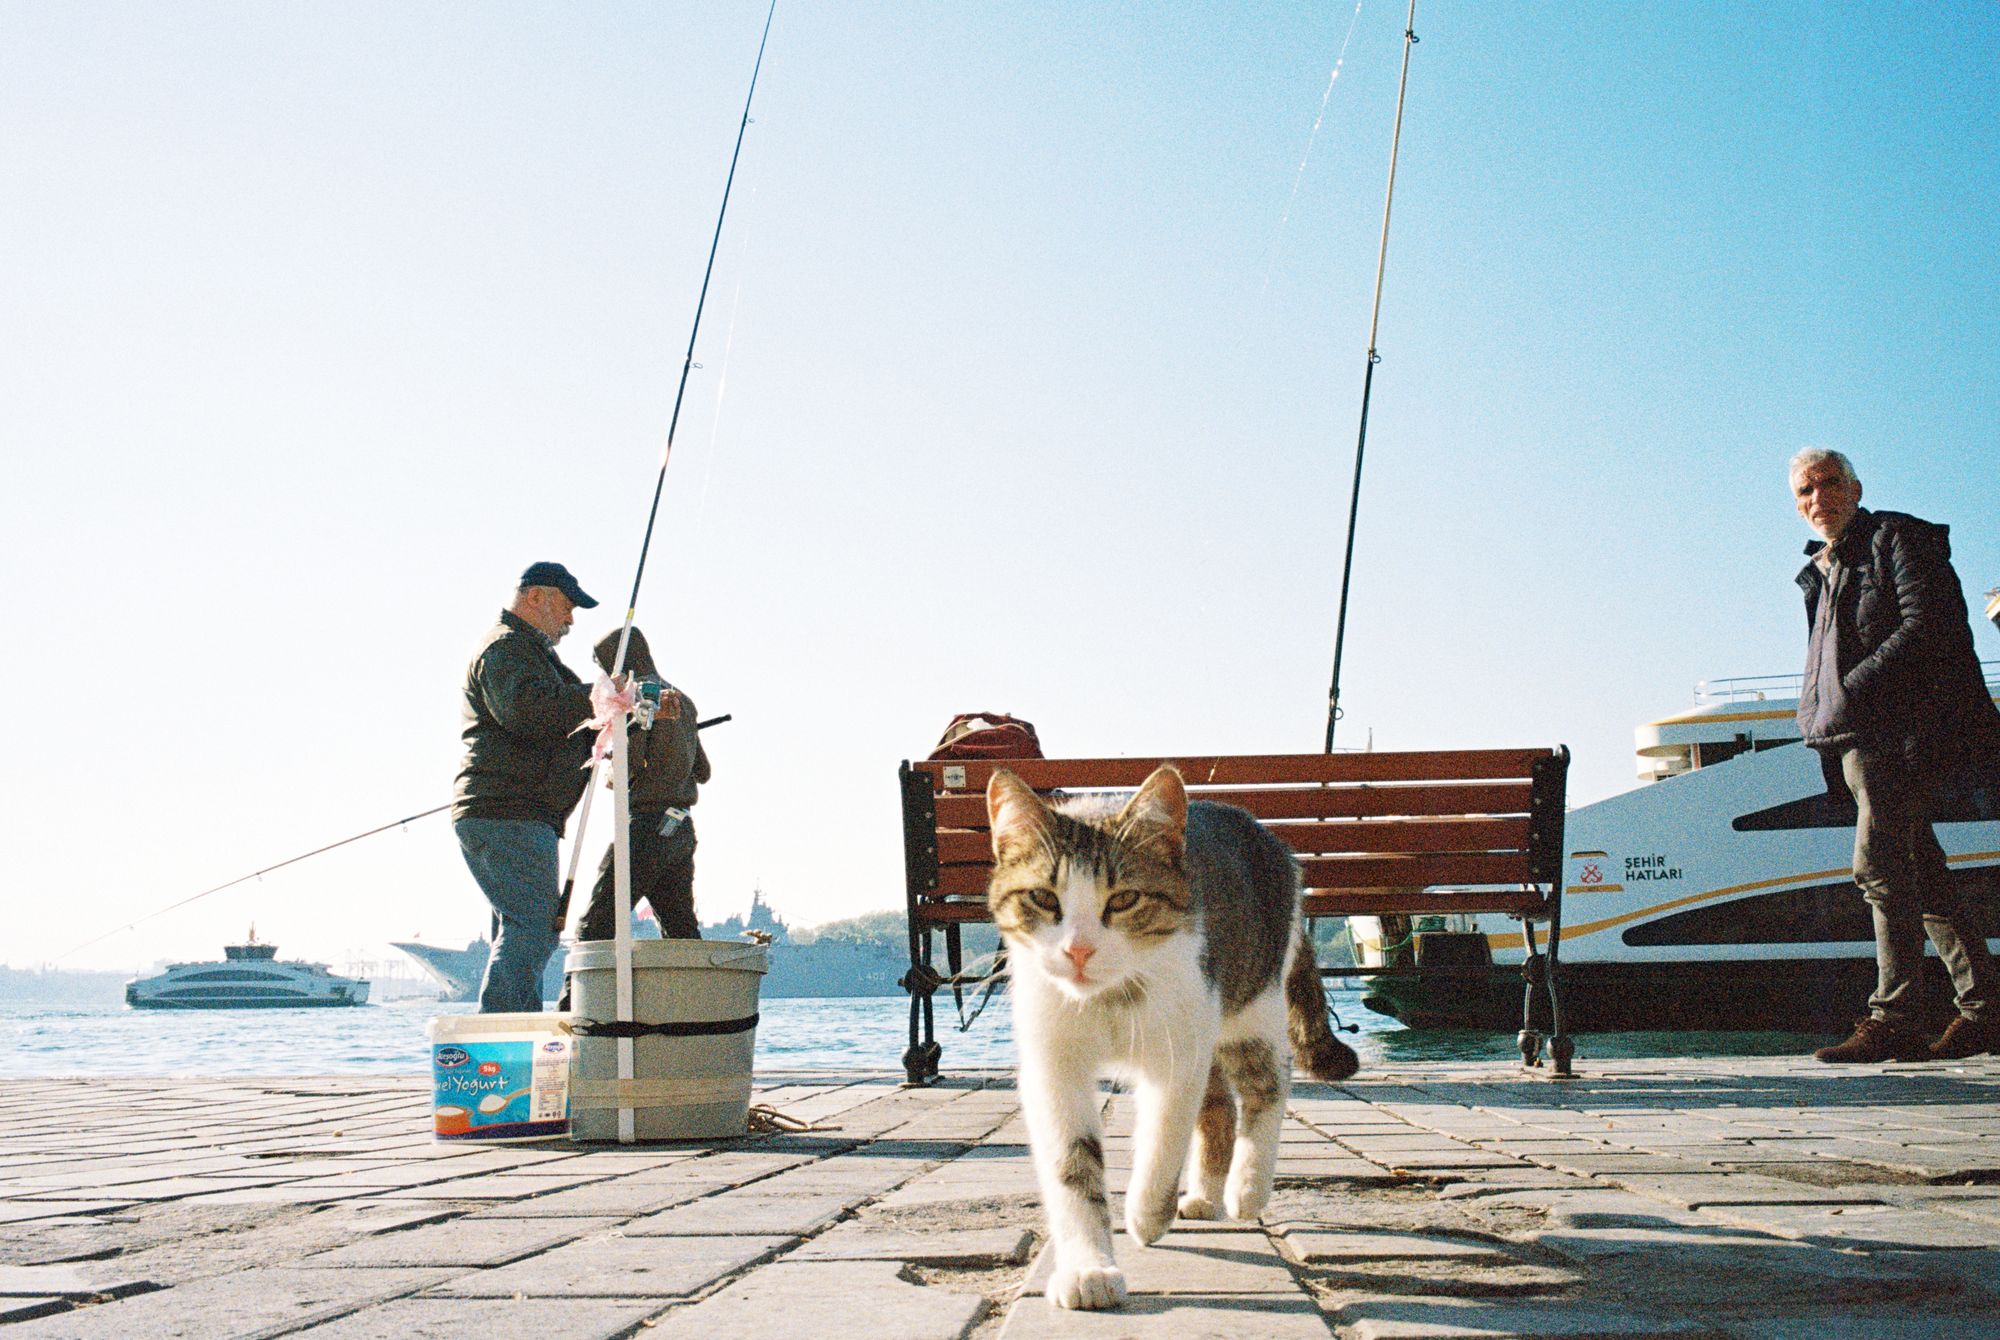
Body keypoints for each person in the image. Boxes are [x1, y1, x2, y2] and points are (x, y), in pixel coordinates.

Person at [1790, 449, 2000, 1062]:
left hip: (1907, 732)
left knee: (1877, 864)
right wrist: (1821, 712)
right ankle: (1985, 1010)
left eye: (1830, 483)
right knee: (1924, 873)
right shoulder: (1821, 571)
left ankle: (1896, 1018)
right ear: (1796, 504)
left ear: (1856, 487)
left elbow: (1931, 625)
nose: (1818, 497)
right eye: (1805, 490)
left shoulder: (1896, 538)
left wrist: (1849, 690)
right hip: (1857, 736)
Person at [452, 561, 600, 1013]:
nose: (571, 620)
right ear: (535, 597)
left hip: (513, 812)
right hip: (509, 813)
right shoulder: (506, 649)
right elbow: (529, 712)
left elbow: (563, 710)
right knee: (534, 927)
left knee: (519, 929)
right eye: (567, 607)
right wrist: (600, 696)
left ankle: (512, 1045)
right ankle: (500, 1040)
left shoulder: (528, 652)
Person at [579, 626, 711, 942]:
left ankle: (580, 994)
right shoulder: (684, 701)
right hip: (679, 831)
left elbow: (628, 768)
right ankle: (692, 992)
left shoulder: (634, 699)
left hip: (645, 830)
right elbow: (703, 772)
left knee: (595, 929)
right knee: (681, 936)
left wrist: (613, 762)